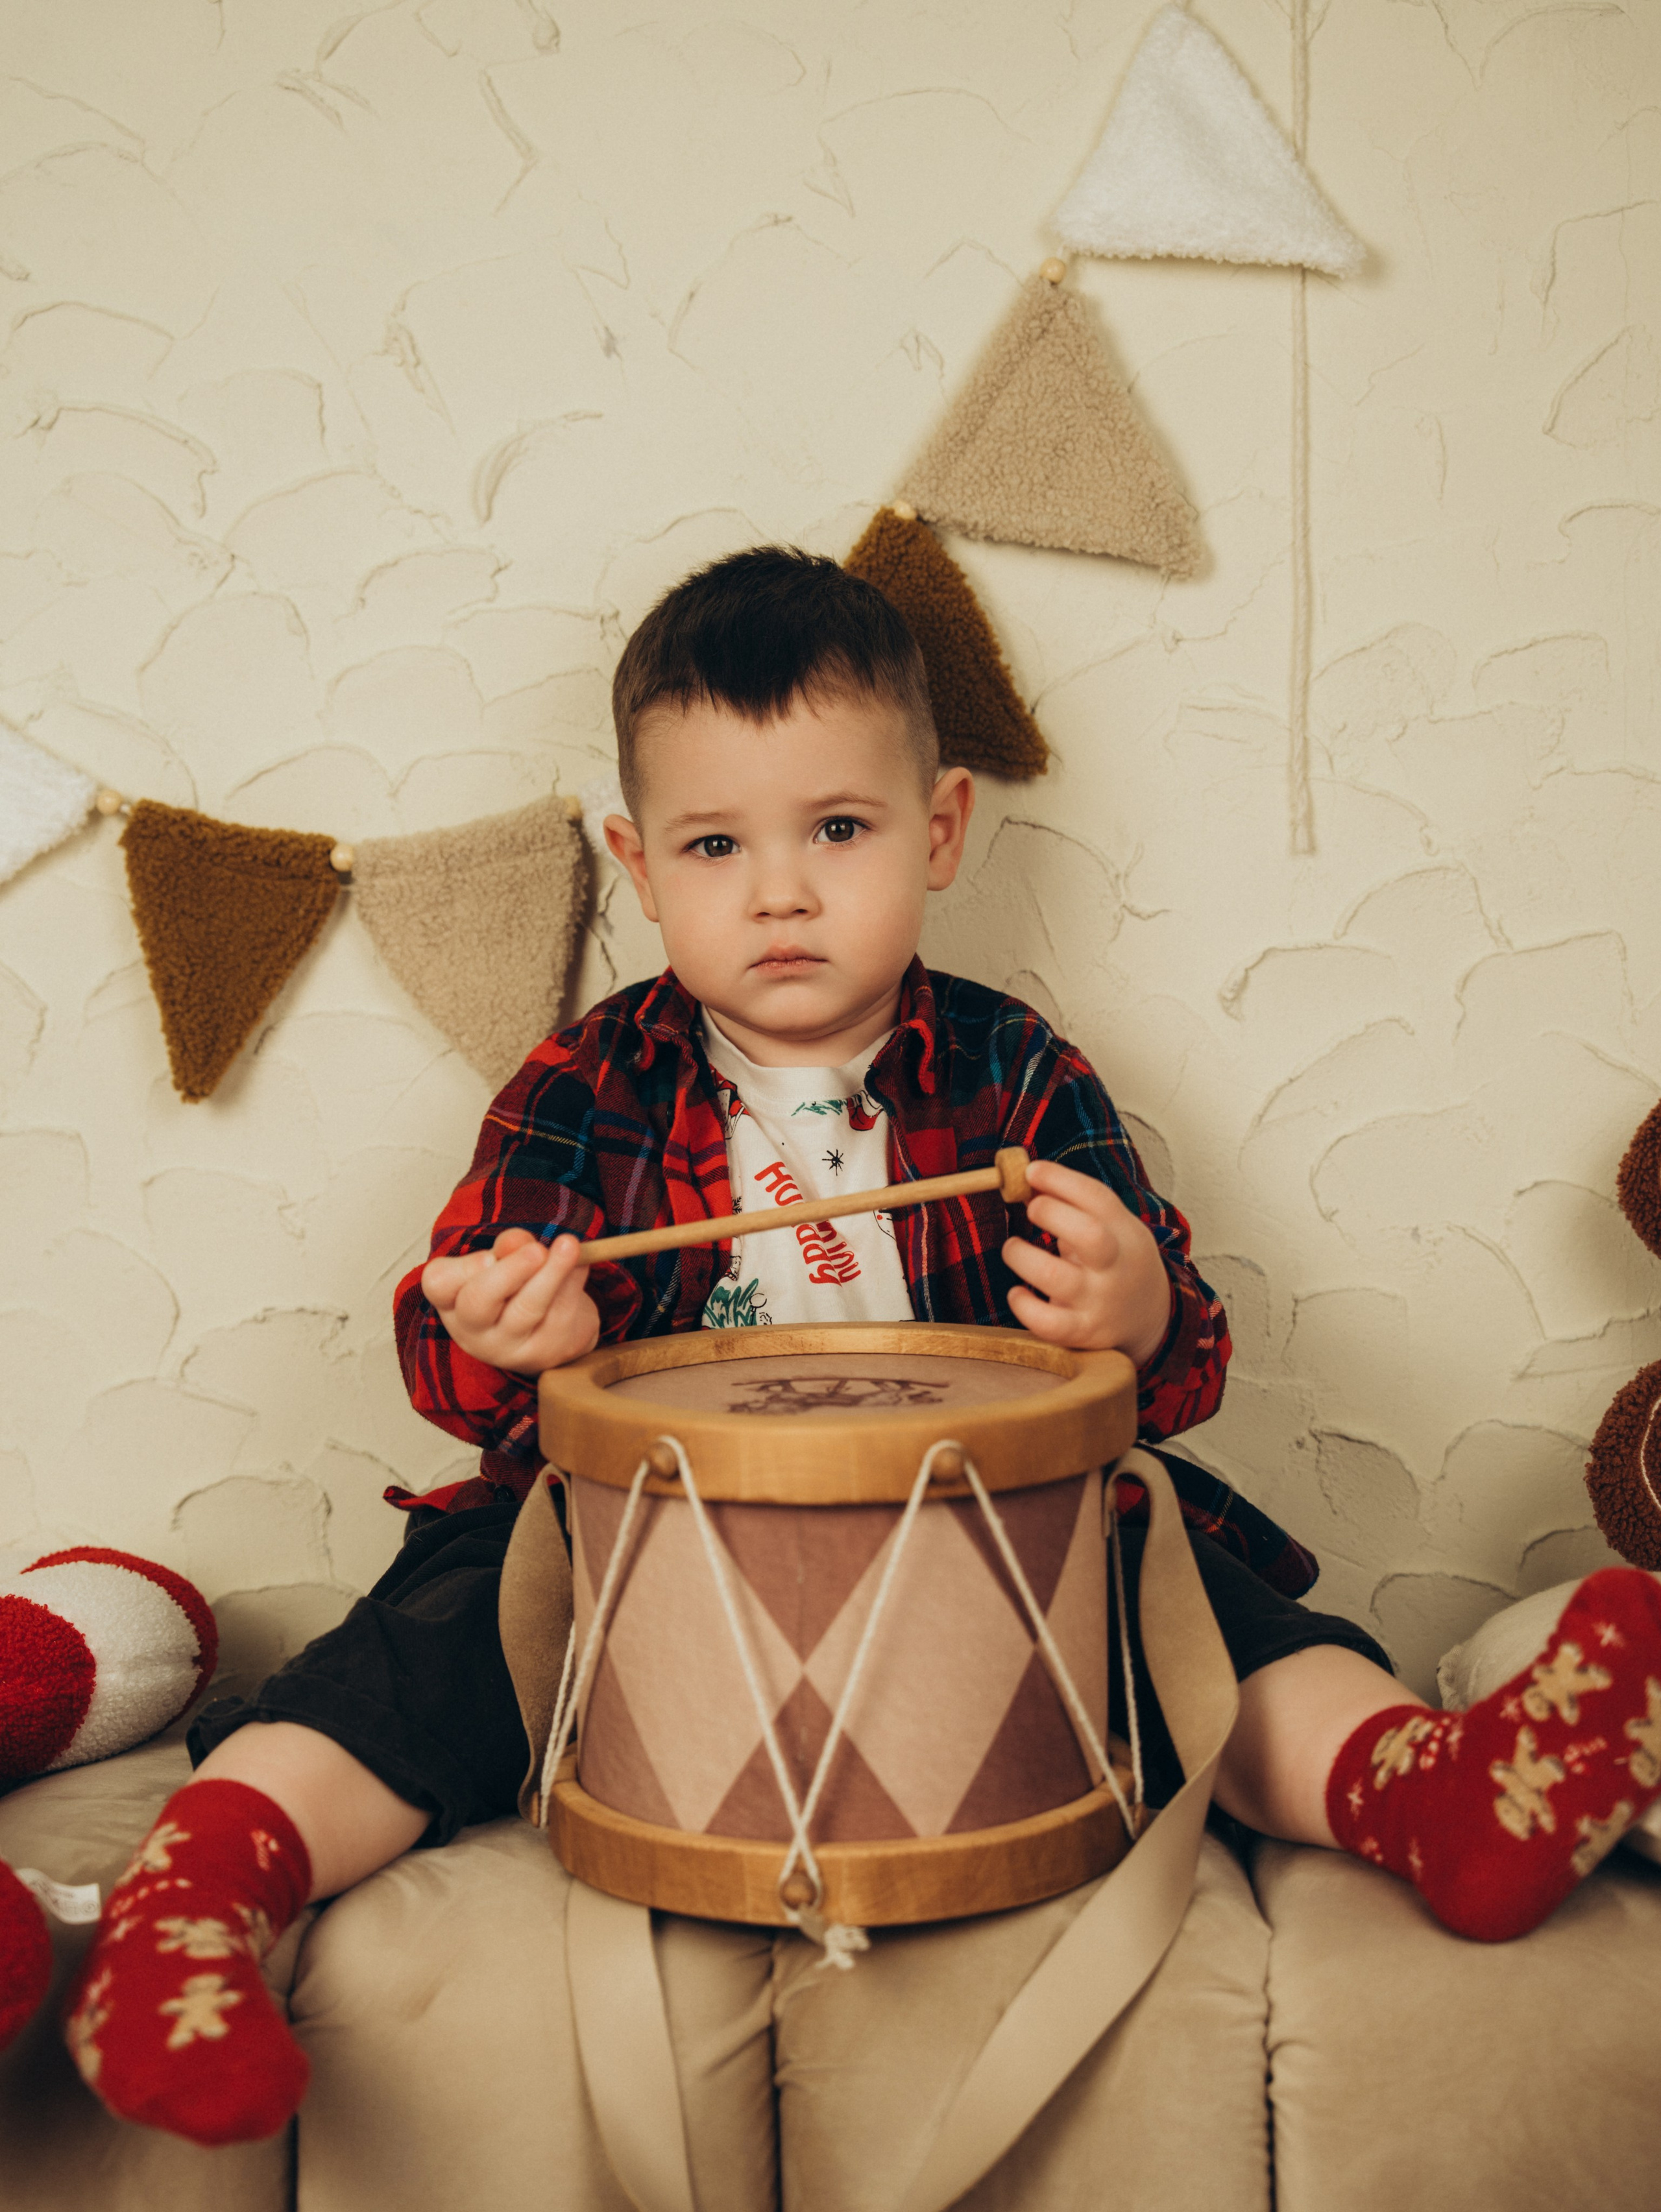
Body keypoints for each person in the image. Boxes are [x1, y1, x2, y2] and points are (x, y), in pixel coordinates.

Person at [63, 550, 1661, 2146]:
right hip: (635, 1549)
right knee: (437, 1627)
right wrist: (503, 1331)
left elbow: (1171, 1368)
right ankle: (199, 1895)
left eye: (836, 829)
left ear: (938, 828)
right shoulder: (587, 1083)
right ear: (636, 864)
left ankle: (1426, 1790)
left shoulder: (1012, 1069)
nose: (779, 892)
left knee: (1183, 1583)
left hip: (988, 1538)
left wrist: (1135, 1313)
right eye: (715, 844)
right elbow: (452, 1351)